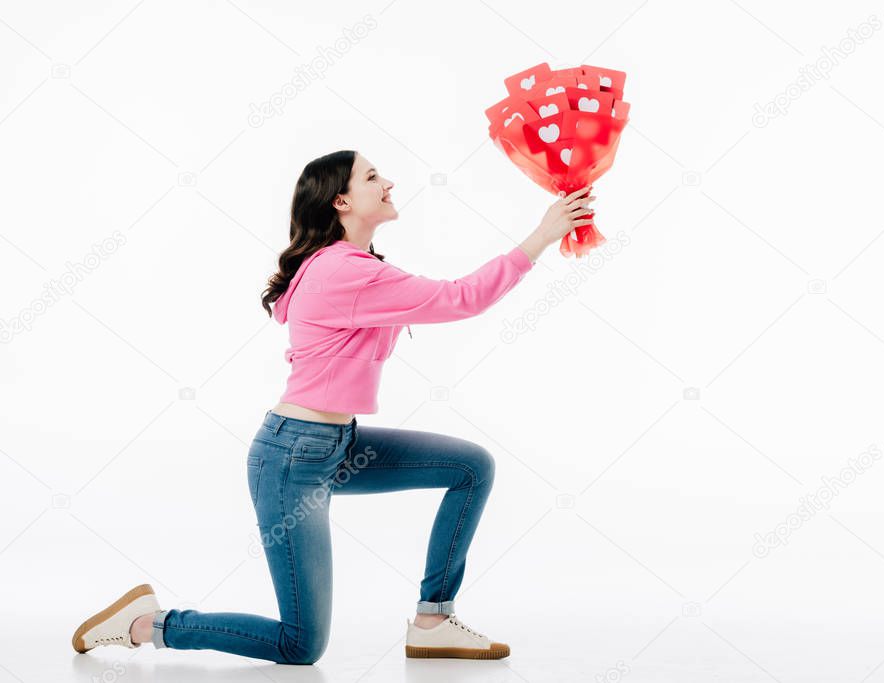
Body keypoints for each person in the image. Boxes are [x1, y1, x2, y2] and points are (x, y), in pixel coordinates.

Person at [70, 150, 596, 663]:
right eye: (372, 176)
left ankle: (433, 619)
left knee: (471, 466)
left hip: (336, 445)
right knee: (299, 645)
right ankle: (147, 624)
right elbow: (463, 298)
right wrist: (543, 235)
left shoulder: (351, 265)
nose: (387, 181)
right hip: (293, 459)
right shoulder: (342, 271)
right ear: (341, 201)